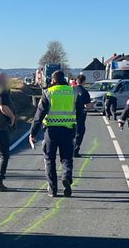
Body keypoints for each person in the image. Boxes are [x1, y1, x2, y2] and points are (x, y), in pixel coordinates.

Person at [29, 69, 77, 197]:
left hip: (51, 131)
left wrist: (32, 133)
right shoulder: (72, 92)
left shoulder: (48, 93)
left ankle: (52, 189)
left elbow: (39, 115)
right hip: (68, 130)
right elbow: (79, 111)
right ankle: (66, 177)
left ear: (53, 80)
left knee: (49, 159)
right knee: (67, 158)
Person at [71, 73, 93, 156]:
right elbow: (88, 105)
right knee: (80, 132)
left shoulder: (70, 90)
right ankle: (75, 150)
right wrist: (93, 103)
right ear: (84, 82)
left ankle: (68, 149)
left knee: (71, 133)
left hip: (69, 114)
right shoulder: (84, 91)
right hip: (80, 114)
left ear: (76, 81)